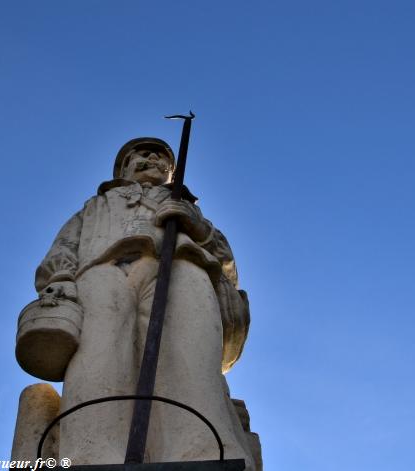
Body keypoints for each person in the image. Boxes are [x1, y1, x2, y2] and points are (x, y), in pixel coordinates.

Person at [34, 137, 256, 468]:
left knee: (188, 356)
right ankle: (89, 455)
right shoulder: (95, 206)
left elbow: (226, 264)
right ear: (122, 168)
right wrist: (60, 280)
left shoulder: (189, 209)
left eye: (160, 155)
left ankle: (201, 450)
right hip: (104, 270)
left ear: (171, 171)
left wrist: (199, 228)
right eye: (139, 154)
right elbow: (64, 247)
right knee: (99, 359)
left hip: (182, 265)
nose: (150, 157)